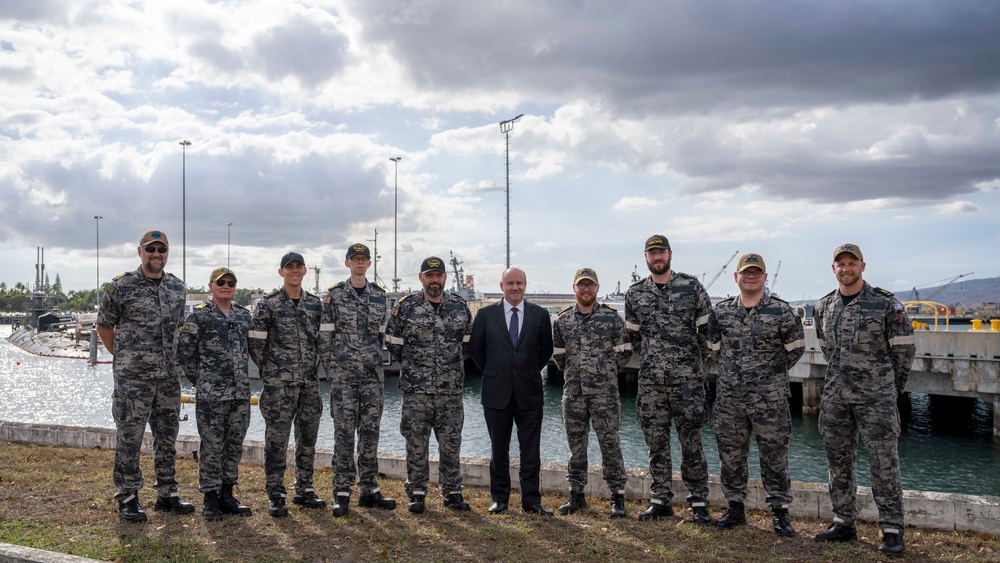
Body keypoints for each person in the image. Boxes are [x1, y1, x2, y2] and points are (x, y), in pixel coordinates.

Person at [813, 243, 915, 556]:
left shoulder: (885, 304)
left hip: (876, 400)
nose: (846, 268)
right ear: (833, 269)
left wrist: (888, 387)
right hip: (836, 398)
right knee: (838, 463)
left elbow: (904, 350)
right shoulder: (823, 306)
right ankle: (844, 521)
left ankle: (892, 530)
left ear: (863, 266)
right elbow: (827, 349)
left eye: (851, 263)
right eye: (840, 264)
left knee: (884, 464)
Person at [96, 229, 195, 522]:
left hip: (168, 378)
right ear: (140, 251)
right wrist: (125, 357)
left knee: (168, 437)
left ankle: (167, 493)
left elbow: (177, 328)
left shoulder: (177, 288)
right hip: (133, 380)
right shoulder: (120, 287)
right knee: (130, 438)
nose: (156, 255)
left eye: (161, 250)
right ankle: (128, 496)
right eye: (150, 249)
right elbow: (105, 327)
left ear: (167, 253)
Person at [709, 253, 804, 535]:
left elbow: (795, 349)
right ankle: (735, 508)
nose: (751, 277)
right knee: (731, 456)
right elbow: (713, 348)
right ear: (736, 277)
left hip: (770, 399)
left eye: (756, 272)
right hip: (730, 400)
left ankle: (779, 513)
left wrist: (768, 374)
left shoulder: (781, 310)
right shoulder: (722, 312)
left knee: (774, 456)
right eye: (746, 272)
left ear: (764, 277)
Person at [624, 234, 714, 524]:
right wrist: (656, 359)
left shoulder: (691, 287)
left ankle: (698, 502)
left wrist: (685, 362)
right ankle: (660, 499)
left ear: (670, 254)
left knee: (692, 443)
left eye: (661, 252)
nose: (657, 257)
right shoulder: (635, 294)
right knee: (656, 443)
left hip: (687, 382)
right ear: (646, 257)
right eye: (652, 253)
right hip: (652, 384)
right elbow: (635, 337)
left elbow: (708, 333)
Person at [385, 256, 473, 513]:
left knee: (451, 443)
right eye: (429, 275)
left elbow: (467, 343)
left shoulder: (459, 306)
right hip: (416, 390)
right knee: (415, 442)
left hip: (450, 390)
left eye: (439, 275)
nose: (434, 280)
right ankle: (417, 492)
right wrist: (416, 365)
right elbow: (393, 341)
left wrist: (447, 365)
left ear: (445, 277)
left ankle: (453, 492)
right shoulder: (406, 306)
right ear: (421, 278)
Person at [468, 267, 555, 516]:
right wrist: (495, 371)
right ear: (501, 285)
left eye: (519, 283)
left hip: (529, 392)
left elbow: (545, 350)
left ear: (525, 284)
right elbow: (476, 349)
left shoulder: (539, 315)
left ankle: (531, 501)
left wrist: (527, 370)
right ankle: (500, 498)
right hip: (496, 392)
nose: (515, 287)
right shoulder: (485, 314)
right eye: (510, 283)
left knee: (530, 450)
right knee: (499, 450)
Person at [320, 243, 396, 517]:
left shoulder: (378, 296)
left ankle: (369, 489)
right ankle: (341, 492)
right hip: (344, 379)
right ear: (347, 263)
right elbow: (325, 337)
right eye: (355, 260)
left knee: (370, 434)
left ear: (369, 264)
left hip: (371, 379)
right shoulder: (335, 296)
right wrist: (333, 370)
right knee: (343, 435)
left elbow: (382, 336)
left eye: (364, 260)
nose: (360, 264)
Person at [249, 252, 326, 518]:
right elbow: (256, 343)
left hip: (309, 385)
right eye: (289, 268)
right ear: (281, 272)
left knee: (307, 440)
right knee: (276, 441)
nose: (294, 271)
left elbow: (322, 343)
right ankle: (275, 493)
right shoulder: (268, 304)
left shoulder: (316, 305)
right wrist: (271, 371)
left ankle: (304, 489)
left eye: (298, 267)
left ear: (305, 271)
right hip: (278, 386)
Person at [551, 267, 632, 518]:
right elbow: (559, 357)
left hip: (604, 395)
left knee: (610, 444)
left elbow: (625, 351)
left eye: (590, 285)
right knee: (576, 447)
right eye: (581, 285)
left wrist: (605, 373)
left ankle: (617, 497)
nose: (586, 289)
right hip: (573, 394)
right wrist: (577, 374)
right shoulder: (563, 321)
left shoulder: (611, 319)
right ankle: (576, 495)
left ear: (597, 288)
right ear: (573, 288)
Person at [174, 267, 253, 520]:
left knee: (233, 446)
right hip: (211, 396)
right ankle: (210, 497)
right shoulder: (199, 317)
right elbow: (184, 352)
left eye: (230, 283)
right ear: (211, 287)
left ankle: (227, 494)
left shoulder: (244, 317)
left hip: (240, 395)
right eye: (221, 283)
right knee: (211, 446)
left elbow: (255, 347)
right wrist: (203, 380)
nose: (226, 286)